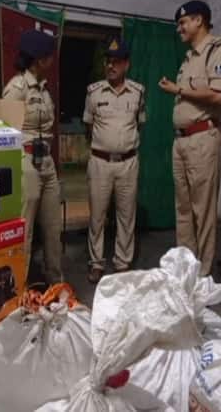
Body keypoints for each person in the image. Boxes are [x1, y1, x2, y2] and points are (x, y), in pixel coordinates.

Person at [159, 0, 221, 275]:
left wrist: (178, 89)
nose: (179, 28)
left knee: (203, 211)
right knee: (184, 210)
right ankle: (186, 270)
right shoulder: (190, 56)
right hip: (181, 141)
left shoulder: (218, 50)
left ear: (199, 20)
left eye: (183, 22)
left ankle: (202, 275)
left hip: (203, 138)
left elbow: (217, 95)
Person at [83, 38, 146, 283]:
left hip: (128, 163)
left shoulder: (138, 92)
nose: (111, 66)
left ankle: (122, 263)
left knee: (126, 216)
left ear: (126, 64)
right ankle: (96, 263)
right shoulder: (94, 92)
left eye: (116, 62)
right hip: (100, 163)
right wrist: (106, 145)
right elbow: (88, 127)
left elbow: (140, 125)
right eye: (108, 61)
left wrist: (122, 145)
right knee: (97, 216)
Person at [2, 29, 63, 284]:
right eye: (49, 55)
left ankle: (56, 282)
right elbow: (4, 133)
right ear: (39, 58)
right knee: (24, 229)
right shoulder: (16, 89)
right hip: (25, 161)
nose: (52, 59)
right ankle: (18, 288)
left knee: (53, 227)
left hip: (47, 162)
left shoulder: (45, 89)